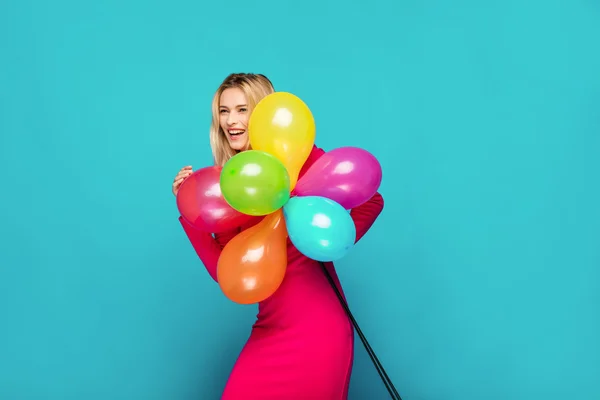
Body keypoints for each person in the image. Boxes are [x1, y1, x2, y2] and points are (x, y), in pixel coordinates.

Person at [172, 73, 384, 400]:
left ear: (260, 113)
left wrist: (321, 237)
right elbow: (224, 270)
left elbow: (371, 199)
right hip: (270, 330)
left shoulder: (297, 160)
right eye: (223, 112)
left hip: (319, 331)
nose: (231, 121)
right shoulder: (231, 189)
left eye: (241, 110)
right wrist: (190, 215)